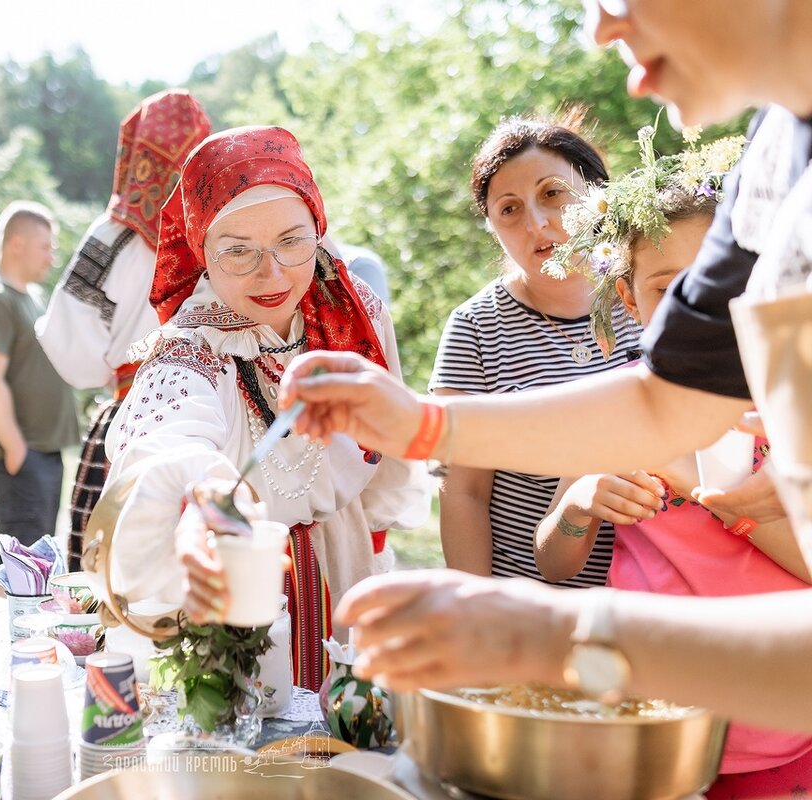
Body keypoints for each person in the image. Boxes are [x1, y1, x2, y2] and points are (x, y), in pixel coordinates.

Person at [277, 0, 812, 744]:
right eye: (509, 208)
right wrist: (424, 425)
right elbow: (667, 405)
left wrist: (551, 634)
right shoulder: (775, 159)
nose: (600, 29)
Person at [100, 126, 431, 691]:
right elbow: (169, 440)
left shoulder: (354, 314)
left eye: (291, 241)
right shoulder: (191, 344)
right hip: (231, 574)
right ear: (202, 252)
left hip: (346, 558)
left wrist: (375, 556)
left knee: (342, 754)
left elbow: (392, 444)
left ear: (319, 229)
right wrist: (197, 499)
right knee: (246, 751)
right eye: (237, 251)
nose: (271, 272)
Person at [530, 132, 812, 793]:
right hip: (650, 714)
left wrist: (712, 489)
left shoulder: (792, 397)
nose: (698, 309)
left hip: (784, 720)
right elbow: (553, 558)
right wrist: (578, 505)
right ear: (628, 301)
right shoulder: (617, 405)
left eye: (711, 284)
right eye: (666, 289)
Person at [430, 114, 640, 586]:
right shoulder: (475, 327)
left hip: (653, 601)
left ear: (597, 195)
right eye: (509, 209)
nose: (537, 222)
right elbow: (462, 492)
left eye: (552, 193)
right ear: (492, 227)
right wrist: (477, 608)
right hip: (526, 605)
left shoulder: (653, 299)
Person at [37, 89, 211, 571]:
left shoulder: (113, 235)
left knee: (106, 572)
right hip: (214, 422)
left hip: (130, 417)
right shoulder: (218, 231)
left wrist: (117, 366)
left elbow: (68, 347)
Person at [0, 202, 80, 556]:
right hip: (23, 451)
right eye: (45, 246)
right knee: (19, 561)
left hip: (43, 450)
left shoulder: (32, 297)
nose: (52, 257)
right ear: (16, 244)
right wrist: (15, 447)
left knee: (32, 558)